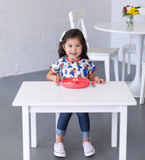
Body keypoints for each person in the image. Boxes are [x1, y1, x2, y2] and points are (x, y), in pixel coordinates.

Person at [46, 28, 105, 157]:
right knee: (65, 113)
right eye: (70, 46)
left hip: (83, 96)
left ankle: (86, 141)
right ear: (64, 47)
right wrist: (54, 77)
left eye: (77, 45)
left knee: (83, 114)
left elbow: (91, 76)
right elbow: (49, 75)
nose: (74, 49)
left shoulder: (86, 63)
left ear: (82, 46)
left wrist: (96, 79)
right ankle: (59, 141)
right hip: (65, 96)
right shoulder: (61, 62)